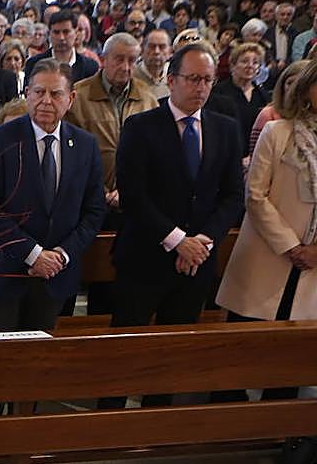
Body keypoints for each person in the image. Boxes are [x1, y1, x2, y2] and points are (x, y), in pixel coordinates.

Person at [107, 44, 245, 406]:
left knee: (172, 350)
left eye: (208, 80)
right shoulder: (140, 127)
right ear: (171, 80)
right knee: (124, 351)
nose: (201, 88)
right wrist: (177, 240)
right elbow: (134, 196)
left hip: (197, 261)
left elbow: (232, 196)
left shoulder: (226, 129)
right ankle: (106, 427)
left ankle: (156, 424)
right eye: (193, 79)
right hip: (144, 257)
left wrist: (202, 241)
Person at [0, 59, 107, 335]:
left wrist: (60, 255)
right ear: (27, 94)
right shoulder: (0, 140)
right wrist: (33, 255)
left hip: (56, 276)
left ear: (70, 99)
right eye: (38, 92)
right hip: (4, 274)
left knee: (40, 362)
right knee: (0, 363)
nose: (46, 100)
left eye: (55, 94)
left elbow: (93, 211)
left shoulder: (85, 145)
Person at [215, 60, 317, 400]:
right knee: (243, 353)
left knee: (290, 360)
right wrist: (291, 245)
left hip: (313, 268)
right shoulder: (279, 132)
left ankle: (280, 433)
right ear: (306, 91)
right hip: (268, 257)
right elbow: (255, 196)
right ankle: (227, 424)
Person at [66, 33, 159, 217]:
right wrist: (102, 191)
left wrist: (128, 190)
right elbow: (71, 154)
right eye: (119, 59)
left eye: (132, 60)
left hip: (136, 200)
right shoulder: (79, 96)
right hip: (87, 199)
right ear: (103, 59)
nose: (125, 67)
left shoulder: (148, 98)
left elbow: (155, 154)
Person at [210, 42, 268, 158]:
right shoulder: (218, 92)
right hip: (226, 155)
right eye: (244, 61)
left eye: (255, 62)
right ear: (232, 65)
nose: (250, 65)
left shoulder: (263, 95)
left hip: (257, 156)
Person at [250, 60, 311, 163]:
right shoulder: (268, 115)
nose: (293, 89)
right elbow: (255, 161)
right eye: (289, 83)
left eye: (299, 84)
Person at [24, 11, 100, 84]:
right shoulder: (33, 64)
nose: (61, 38)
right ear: (49, 34)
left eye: (66, 32)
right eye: (56, 32)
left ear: (76, 32)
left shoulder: (90, 67)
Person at [133, 28, 171, 100]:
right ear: (142, 50)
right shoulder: (131, 76)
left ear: (170, 52)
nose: (156, 51)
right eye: (151, 47)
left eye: (162, 47)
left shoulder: (175, 78)